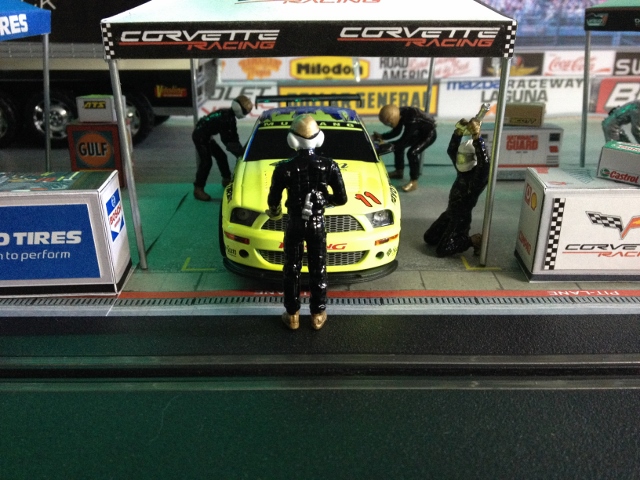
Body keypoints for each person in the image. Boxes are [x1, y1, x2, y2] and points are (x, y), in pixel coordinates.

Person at [266, 114, 347, 331]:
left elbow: (273, 200)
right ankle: (318, 315)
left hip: (294, 223)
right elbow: (341, 199)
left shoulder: (283, 168)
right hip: (317, 224)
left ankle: (292, 315)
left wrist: (274, 211)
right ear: (320, 138)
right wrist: (324, 200)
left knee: (291, 268)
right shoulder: (330, 166)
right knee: (318, 268)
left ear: (292, 140)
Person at [423, 116, 489, 257]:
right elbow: (451, 150)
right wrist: (458, 132)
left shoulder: (477, 178)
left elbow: (485, 163)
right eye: (460, 156)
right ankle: (452, 236)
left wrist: (477, 136)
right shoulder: (462, 170)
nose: (460, 159)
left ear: (473, 158)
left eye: (464, 157)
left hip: (461, 218)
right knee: (430, 237)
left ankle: (473, 240)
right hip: (450, 212)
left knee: (443, 249)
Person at [191, 95, 253, 201]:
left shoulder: (229, 117)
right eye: (245, 112)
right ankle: (198, 189)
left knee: (221, 156)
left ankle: (226, 179)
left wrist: (238, 149)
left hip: (206, 135)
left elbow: (233, 136)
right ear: (239, 109)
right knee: (206, 162)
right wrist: (239, 152)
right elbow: (227, 140)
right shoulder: (226, 119)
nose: (246, 114)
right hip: (200, 137)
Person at [372, 104, 437, 192]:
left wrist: (386, 145)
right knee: (399, 148)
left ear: (393, 119)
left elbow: (403, 141)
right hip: (417, 131)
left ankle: (414, 181)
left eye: (389, 123)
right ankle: (399, 172)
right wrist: (382, 136)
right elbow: (396, 132)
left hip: (428, 134)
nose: (389, 125)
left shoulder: (411, 120)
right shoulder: (399, 113)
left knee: (412, 153)